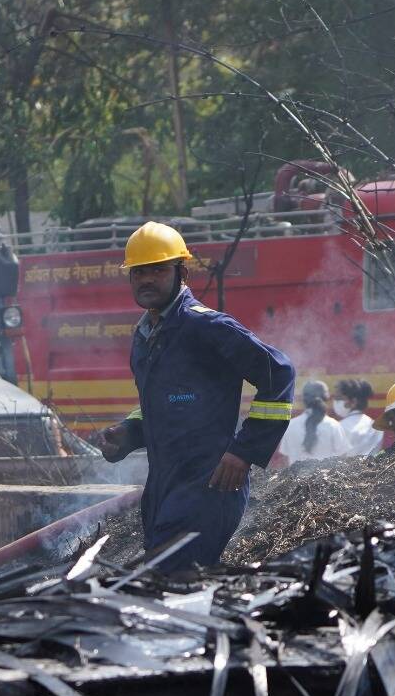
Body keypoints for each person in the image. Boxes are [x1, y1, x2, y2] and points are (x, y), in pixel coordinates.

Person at [97, 221, 295, 569]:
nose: (146, 279)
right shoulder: (145, 336)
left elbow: (279, 373)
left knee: (170, 583)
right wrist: (129, 434)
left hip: (208, 487)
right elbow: (167, 403)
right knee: (168, 590)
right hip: (164, 487)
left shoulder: (207, 327)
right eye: (138, 272)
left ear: (182, 272)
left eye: (158, 270)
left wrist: (243, 452)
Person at [278, 379, 352, 465]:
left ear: (304, 399)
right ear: (326, 398)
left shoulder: (290, 426)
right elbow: (343, 457)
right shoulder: (333, 426)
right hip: (326, 478)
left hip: (295, 478)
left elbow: (285, 459)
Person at [333, 378, 383, 456]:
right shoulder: (377, 427)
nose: (335, 402)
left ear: (353, 401)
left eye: (339, 398)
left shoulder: (340, 428)